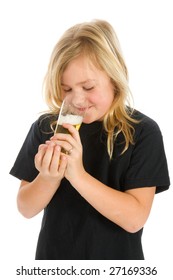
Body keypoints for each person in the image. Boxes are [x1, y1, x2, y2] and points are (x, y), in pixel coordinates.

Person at [10, 19, 170, 260]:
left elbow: (135, 219)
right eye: (66, 89)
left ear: (114, 78)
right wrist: (48, 177)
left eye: (87, 87)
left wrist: (77, 174)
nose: (77, 100)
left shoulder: (142, 132)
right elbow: (26, 208)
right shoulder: (47, 128)